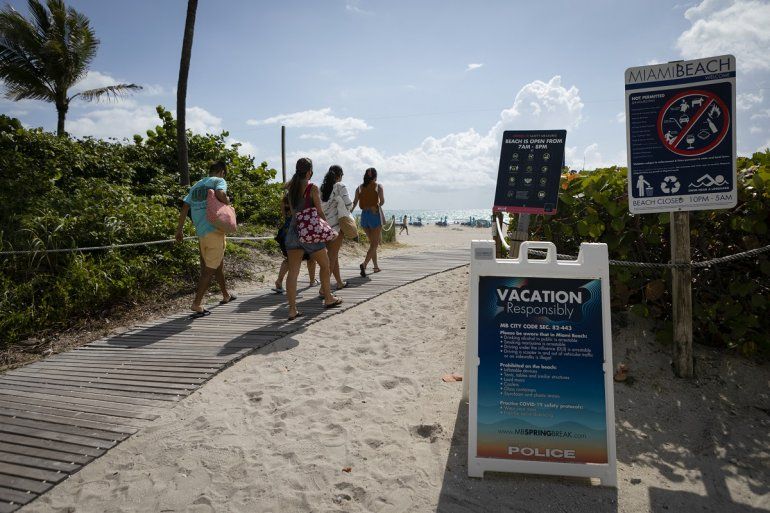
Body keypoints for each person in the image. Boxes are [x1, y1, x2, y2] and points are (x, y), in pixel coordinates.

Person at [175, 160, 236, 318]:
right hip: (214, 231)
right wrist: (228, 201)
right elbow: (222, 195)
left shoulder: (196, 185)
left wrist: (179, 230)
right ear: (222, 172)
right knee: (208, 271)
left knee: (217, 265)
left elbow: (185, 207)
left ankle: (225, 295)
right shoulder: (219, 181)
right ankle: (196, 304)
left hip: (201, 233)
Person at [284, 157, 342, 320]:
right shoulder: (312, 187)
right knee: (325, 265)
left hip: (294, 232)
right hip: (310, 233)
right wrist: (328, 229)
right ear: (310, 171)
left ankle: (292, 310)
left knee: (293, 273)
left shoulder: (291, 188)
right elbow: (319, 212)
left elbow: (295, 213)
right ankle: (328, 298)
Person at [273, 193, 318, 293]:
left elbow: (285, 216)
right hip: (301, 231)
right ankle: (312, 281)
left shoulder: (284, 200)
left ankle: (279, 281)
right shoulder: (302, 199)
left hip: (286, 232)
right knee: (311, 257)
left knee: (289, 259)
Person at [320, 165, 352, 292]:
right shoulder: (340, 186)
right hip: (336, 228)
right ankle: (323, 288)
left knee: (333, 255)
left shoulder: (321, 188)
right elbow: (349, 204)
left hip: (324, 225)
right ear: (339, 176)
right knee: (332, 257)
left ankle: (339, 282)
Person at [352, 167, 384, 276]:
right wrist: (376, 206)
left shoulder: (359, 188)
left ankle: (375, 267)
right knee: (374, 244)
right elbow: (382, 201)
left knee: (372, 244)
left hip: (364, 216)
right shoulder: (378, 186)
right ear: (375, 176)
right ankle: (364, 264)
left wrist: (348, 213)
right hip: (374, 214)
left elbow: (354, 203)